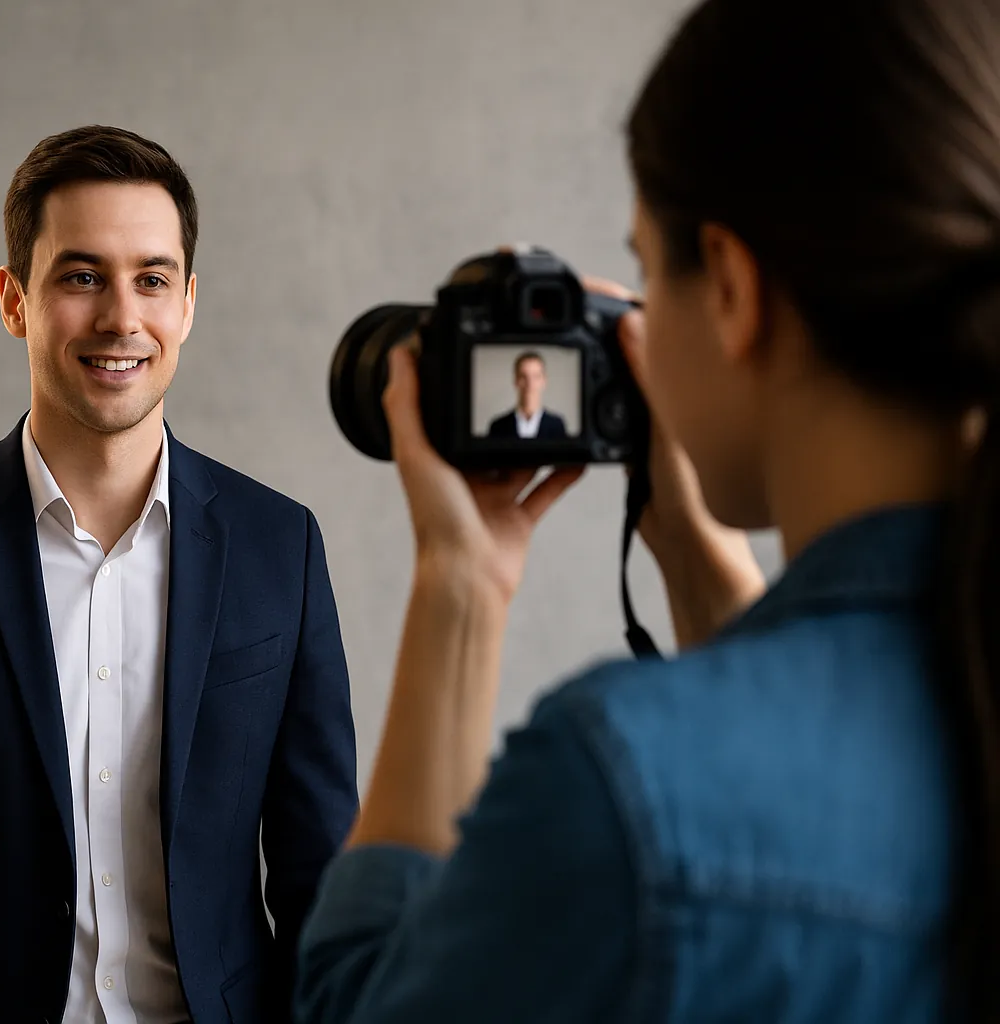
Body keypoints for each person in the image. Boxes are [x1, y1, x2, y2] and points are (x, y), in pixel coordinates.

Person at [292, 0, 1000, 1020]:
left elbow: (370, 1001)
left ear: (733, 291)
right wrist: (718, 582)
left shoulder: (622, 789)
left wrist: (463, 587)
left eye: (644, 271)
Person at [0, 125, 359, 1024]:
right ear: (16, 300)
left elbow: (322, 877)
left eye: (153, 279)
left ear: (189, 303)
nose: (121, 318)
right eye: (82, 276)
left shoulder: (278, 547)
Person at [485, 351, 569, 439]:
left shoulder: (557, 426)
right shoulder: (498, 427)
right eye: (523, 377)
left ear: (544, 381)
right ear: (516, 381)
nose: (530, 383)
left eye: (536, 377)